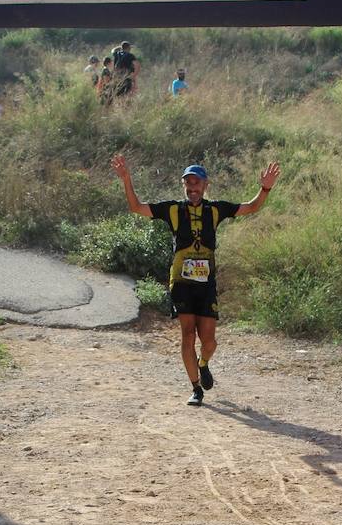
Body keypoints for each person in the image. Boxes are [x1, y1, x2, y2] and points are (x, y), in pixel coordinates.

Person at [112, 155, 280, 406]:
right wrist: (126, 179)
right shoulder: (172, 209)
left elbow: (251, 207)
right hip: (181, 281)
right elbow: (137, 207)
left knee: (209, 341)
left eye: (196, 183)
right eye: (188, 184)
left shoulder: (216, 209)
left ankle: (203, 364)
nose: (192, 188)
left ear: (205, 185)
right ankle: (196, 389)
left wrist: (265, 188)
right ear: (184, 186)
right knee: (188, 335)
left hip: (206, 284)